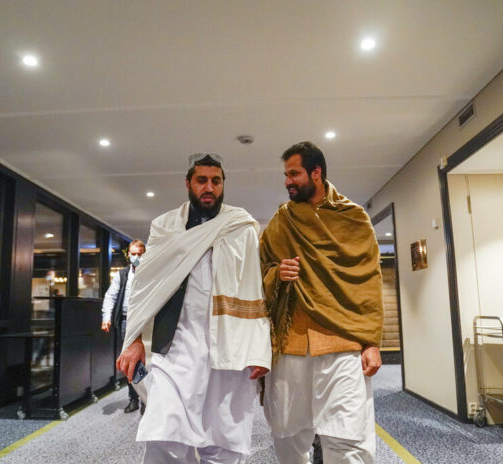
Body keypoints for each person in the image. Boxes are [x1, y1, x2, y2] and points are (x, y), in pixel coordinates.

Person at [117, 153, 272, 464]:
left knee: (224, 440)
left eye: (216, 181)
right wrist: (133, 339)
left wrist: (259, 350)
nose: (209, 187)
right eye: (202, 180)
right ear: (188, 183)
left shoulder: (240, 226)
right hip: (175, 348)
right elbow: (144, 288)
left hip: (228, 349)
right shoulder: (165, 226)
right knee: (165, 435)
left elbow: (255, 288)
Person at [260, 142, 384, 464]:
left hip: (341, 342)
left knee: (347, 438)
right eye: (286, 174)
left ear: (317, 173)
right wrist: (276, 274)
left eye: (294, 174)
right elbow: (258, 271)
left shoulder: (354, 218)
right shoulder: (281, 221)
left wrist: (371, 342)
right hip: (292, 344)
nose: (287, 181)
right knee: (287, 438)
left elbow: (369, 281)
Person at [101, 239, 146, 414]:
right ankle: (133, 398)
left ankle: (146, 398)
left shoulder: (151, 273)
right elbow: (110, 297)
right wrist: (107, 317)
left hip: (146, 321)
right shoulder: (123, 275)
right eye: (133, 254)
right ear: (128, 255)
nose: (136, 258)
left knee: (146, 360)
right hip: (126, 320)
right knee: (130, 361)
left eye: (139, 254)